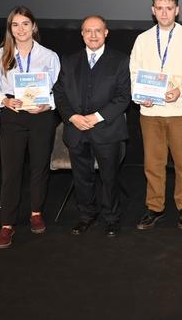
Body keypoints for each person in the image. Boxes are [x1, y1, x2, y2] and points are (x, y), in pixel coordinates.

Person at [0, 5, 60, 249]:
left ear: (33, 26)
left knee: (39, 167)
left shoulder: (49, 56)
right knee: (12, 172)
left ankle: (36, 212)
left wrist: (48, 106)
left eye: (25, 24)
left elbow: (60, 90)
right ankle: (7, 225)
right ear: (10, 28)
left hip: (41, 116)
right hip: (12, 116)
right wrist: (3, 100)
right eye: (15, 24)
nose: (21, 29)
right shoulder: (0, 55)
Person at [129, 0, 182, 231]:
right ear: (153, 11)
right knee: (153, 162)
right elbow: (133, 73)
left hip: (181, 110)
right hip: (150, 112)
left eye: (169, 8)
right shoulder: (142, 40)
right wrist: (141, 96)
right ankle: (155, 207)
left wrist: (180, 91)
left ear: (177, 10)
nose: (164, 13)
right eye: (159, 8)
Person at [53, 15, 131, 238]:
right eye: (88, 31)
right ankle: (87, 216)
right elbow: (59, 92)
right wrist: (72, 117)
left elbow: (124, 96)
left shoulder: (120, 60)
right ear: (82, 34)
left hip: (107, 130)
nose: (93, 35)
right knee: (82, 177)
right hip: (76, 129)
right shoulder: (69, 61)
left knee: (109, 177)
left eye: (98, 30)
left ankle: (112, 218)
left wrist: (97, 117)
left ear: (106, 33)